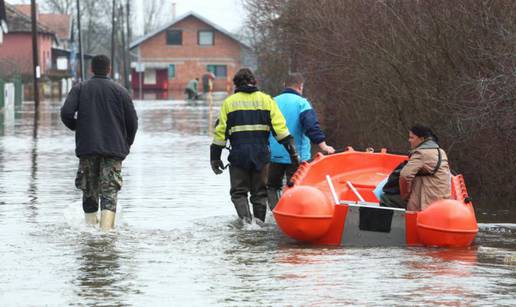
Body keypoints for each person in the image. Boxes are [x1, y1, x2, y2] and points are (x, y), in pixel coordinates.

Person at [210, 68, 300, 224]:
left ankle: (246, 224)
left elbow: (220, 133)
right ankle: (259, 225)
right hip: (261, 154)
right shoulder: (267, 100)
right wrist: (293, 154)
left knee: (239, 193)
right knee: (260, 194)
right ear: (254, 82)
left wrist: (215, 158)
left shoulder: (229, 103)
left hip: (238, 156)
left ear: (236, 85)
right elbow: (281, 130)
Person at [60, 55, 138, 230]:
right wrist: (127, 144)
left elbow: (66, 113)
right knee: (110, 191)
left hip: (87, 148)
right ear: (109, 69)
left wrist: (78, 128)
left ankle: (89, 230)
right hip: (114, 150)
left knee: (89, 189)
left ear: (91, 69)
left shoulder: (80, 88)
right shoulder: (121, 91)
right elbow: (132, 122)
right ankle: (105, 233)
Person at [267, 73, 335, 209]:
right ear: (300, 86)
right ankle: (290, 212)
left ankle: (275, 212)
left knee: (272, 187)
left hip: (274, 154)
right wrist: (323, 145)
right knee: (295, 187)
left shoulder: (272, 102)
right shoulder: (302, 103)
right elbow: (311, 126)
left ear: (284, 85)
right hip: (297, 157)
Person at [399, 124, 451, 211]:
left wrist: (405, 195)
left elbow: (404, 175)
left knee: (387, 199)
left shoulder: (421, 153)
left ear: (421, 139)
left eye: (412, 138)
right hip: (442, 198)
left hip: (428, 202)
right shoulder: (440, 151)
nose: (409, 140)